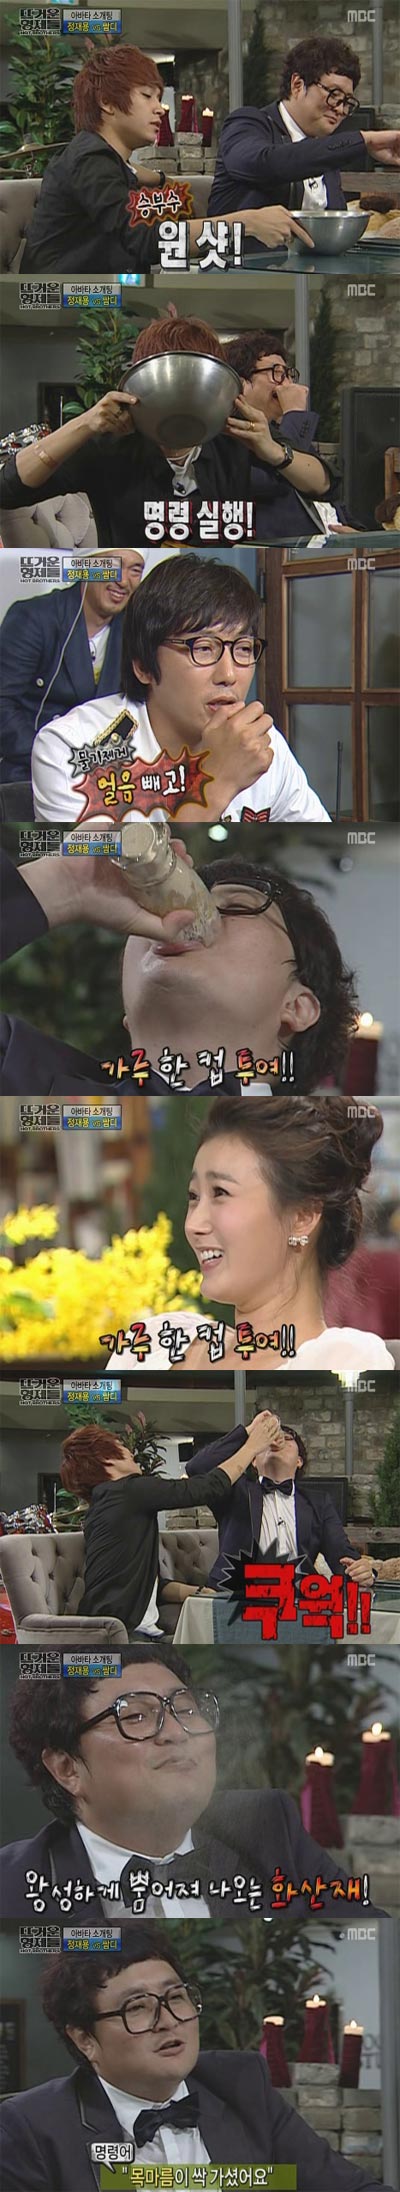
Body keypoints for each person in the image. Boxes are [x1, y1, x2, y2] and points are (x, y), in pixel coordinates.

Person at [1, 1642, 386, 1923]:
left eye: (186, 1709)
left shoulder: (267, 1825)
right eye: (135, 1717)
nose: (176, 1732)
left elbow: (365, 1924)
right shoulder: (12, 1883)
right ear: (67, 1768)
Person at [2, 1926, 395, 2191]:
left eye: (175, 1997)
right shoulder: (32, 2129)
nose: (168, 2020)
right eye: (137, 2007)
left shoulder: (242, 2088)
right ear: (85, 2039)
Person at [0, 846, 358, 1096]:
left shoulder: (279, 1146)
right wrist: (61, 888)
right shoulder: (25, 1078)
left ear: (297, 1007)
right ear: (128, 1016)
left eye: (235, 906)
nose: (182, 916)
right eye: (153, 908)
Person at [30, 553, 330, 823]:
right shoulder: (72, 748)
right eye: (203, 648)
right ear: (144, 666)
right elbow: (96, 870)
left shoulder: (260, 743)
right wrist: (215, 783)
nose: (228, 675)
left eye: (243, 649)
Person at [0, 312, 331, 554]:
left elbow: (323, 483)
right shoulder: (111, 448)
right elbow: (8, 489)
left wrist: (273, 451)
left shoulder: (236, 440)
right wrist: (85, 423)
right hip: (135, 593)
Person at [108, 1097, 395, 1372]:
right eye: (194, 1196)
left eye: (220, 1193)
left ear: (303, 1216)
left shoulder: (340, 1361)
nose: (193, 1224)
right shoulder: (155, 1343)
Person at [19, 45, 314, 277]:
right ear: (106, 103)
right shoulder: (91, 159)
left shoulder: (103, 159)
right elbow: (146, 240)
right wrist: (246, 222)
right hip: (67, 305)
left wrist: (160, 179)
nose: (160, 108)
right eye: (146, 95)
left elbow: (128, 182)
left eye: (158, 96)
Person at [58, 1420, 256, 1634]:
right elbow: (206, 1488)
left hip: (116, 1629)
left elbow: (139, 1585)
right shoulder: (128, 1491)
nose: (130, 1452)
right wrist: (253, 1445)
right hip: (121, 1634)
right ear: (107, 1458)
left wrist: (199, 1592)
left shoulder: (104, 1505)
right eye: (120, 1445)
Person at [208, 33, 400, 218]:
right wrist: (364, 140)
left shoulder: (325, 151)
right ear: (298, 85)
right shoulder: (247, 123)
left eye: (347, 101)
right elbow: (265, 164)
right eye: (334, 94)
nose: (341, 109)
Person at [185, 1408, 376, 1587]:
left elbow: (342, 1554)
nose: (277, 1441)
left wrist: (365, 1572)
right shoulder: (234, 1491)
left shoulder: (319, 1503)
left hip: (298, 1597)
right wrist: (249, 1432)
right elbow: (197, 1468)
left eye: (287, 1438)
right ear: (253, 1460)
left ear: (299, 1461)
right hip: (237, 1597)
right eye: (269, 1439)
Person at [0, 552, 148, 783]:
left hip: (100, 774)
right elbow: (3, 704)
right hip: (29, 769)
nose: (123, 580)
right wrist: (60, 761)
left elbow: (135, 709)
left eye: (135, 570)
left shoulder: (135, 629)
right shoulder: (34, 618)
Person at [223, 331, 349, 539]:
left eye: (288, 374)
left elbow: (329, 486)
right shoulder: (229, 434)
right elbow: (276, 481)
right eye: (277, 373)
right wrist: (295, 414)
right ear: (241, 383)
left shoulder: (281, 431)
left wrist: (357, 533)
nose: (288, 384)